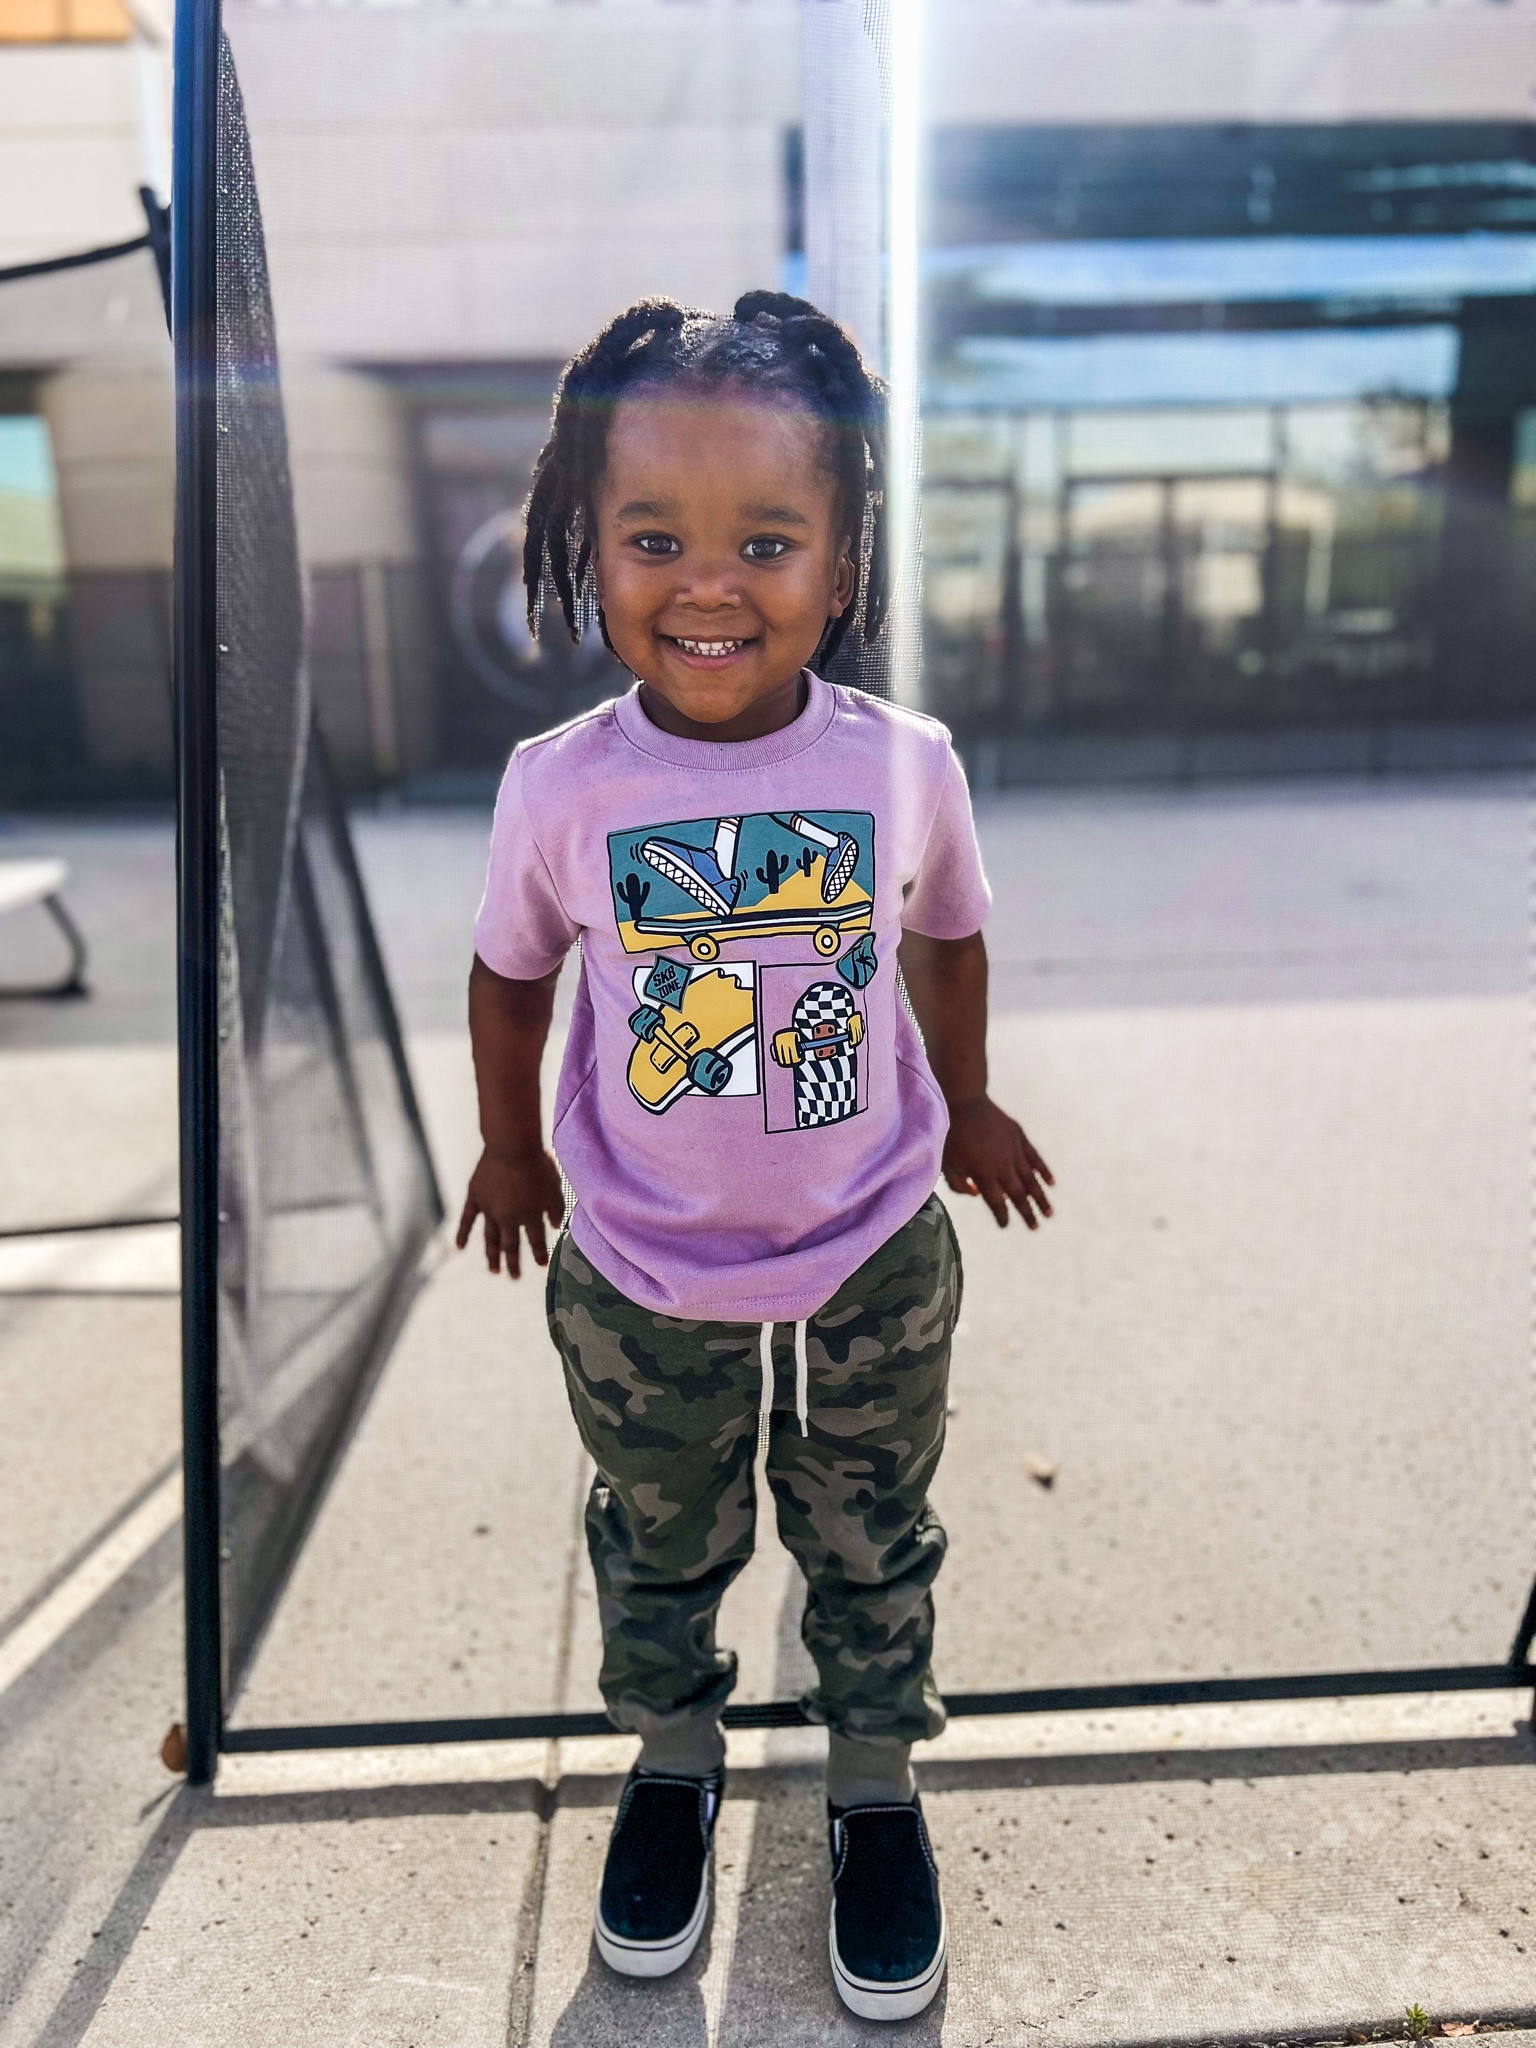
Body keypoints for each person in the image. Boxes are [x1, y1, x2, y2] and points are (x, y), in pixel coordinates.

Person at [460, 291, 1054, 2022]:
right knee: (659, 1530)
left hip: (870, 1240)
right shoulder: (556, 786)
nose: (707, 581)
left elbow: (945, 937)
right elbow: (508, 975)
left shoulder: (902, 765)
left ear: (846, 557)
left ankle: (872, 1785)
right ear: (588, 542)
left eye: (767, 539)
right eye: (653, 537)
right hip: (641, 1262)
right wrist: (511, 1151)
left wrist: (977, 1096)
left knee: (872, 1531)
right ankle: (672, 1760)